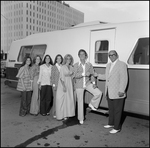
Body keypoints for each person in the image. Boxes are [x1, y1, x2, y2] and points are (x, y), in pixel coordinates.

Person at [95, 50, 128, 134]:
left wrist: (121, 90)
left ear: (117, 55)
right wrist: (97, 75)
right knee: (111, 109)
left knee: (117, 110)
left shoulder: (122, 64)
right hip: (109, 92)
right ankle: (111, 123)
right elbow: (107, 77)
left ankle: (117, 128)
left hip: (118, 92)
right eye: (110, 55)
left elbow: (124, 79)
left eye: (113, 55)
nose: (111, 56)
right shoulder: (108, 65)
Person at [72, 49, 102, 125]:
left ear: (86, 56)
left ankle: (92, 104)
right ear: (78, 56)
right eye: (80, 54)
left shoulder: (89, 64)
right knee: (80, 102)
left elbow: (92, 74)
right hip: (79, 85)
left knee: (99, 93)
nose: (82, 55)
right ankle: (80, 118)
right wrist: (83, 74)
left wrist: (94, 83)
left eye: (83, 54)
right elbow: (74, 75)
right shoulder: (76, 65)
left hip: (88, 83)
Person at [56, 54, 75, 120]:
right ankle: (61, 115)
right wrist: (64, 86)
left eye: (70, 59)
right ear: (65, 59)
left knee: (68, 99)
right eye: (67, 59)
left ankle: (67, 114)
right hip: (63, 83)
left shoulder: (71, 67)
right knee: (62, 99)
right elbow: (61, 77)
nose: (68, 60)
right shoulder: (63, 67)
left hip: (69, 83)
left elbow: (73, 76)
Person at [51, 54, 63, 118]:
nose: (59, 59)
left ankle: (60, 112)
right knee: (55, 99)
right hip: (55, 85)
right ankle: (55, 113)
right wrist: (53, 85)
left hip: (61, 85)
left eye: (60, 58)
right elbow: (52, 77)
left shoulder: (62, 66)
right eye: (58, 58)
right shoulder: (53, 67)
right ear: (56, 59)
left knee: (60, 100)